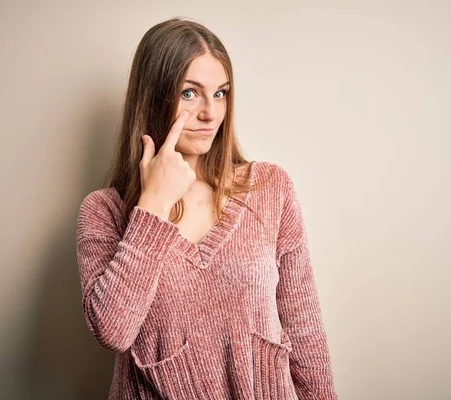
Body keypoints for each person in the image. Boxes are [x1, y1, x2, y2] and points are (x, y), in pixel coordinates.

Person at [76, 17, 338, 399]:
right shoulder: (104, 212)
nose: (210, 113)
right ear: (154, 98)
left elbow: (304, 331)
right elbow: (113, 332)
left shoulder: (269, 188)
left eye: (220, 93)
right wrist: (153, 206)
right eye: (189, 93)